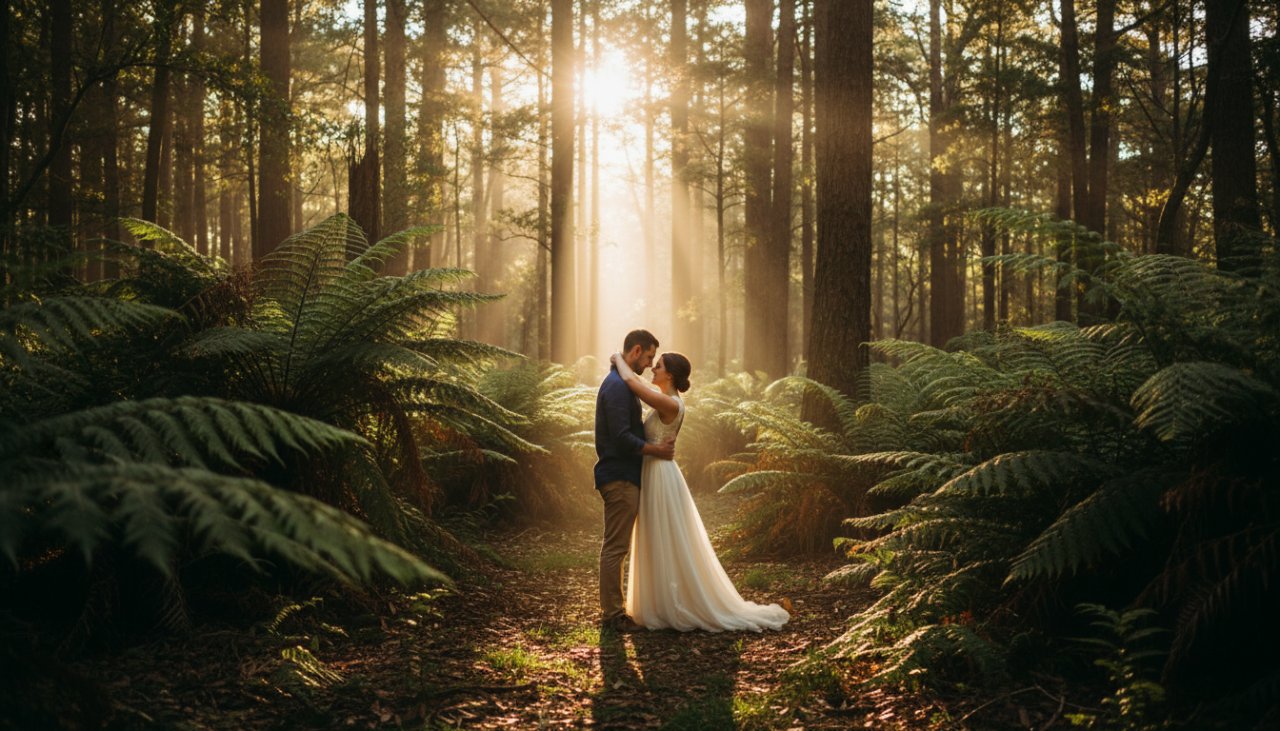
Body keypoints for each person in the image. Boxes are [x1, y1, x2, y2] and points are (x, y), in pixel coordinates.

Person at [611, 350, 790, 633]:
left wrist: (617, 358)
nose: (653, 369)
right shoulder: (669, 400)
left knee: (664, 534)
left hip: (660, 473)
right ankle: (658, 600)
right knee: (656, 534)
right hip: (655, 469)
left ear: (669, 374)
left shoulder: (670, 403)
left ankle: (672, 603)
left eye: (657, 366)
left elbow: (633, 384)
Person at [595, 329, 675, 633]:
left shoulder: (621, 382)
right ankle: (612, 614)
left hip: (625, 475)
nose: (650, 363)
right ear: (637, 350)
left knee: (617, 545)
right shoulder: (616, 387)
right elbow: (620, 437)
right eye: (650, 356)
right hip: (618, 476)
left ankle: (614, 611)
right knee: (615, 547)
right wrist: (656, 450)